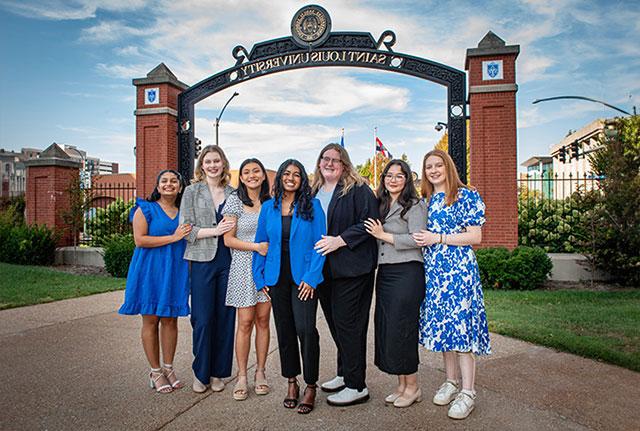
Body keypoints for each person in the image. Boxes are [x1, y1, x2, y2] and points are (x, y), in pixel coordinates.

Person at [413, 149, 491, 420]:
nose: (433, 170)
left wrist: (439, 238)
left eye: (438, 165)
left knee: (462, 330)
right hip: (435, 274)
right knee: (446, 329)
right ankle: (451, 381)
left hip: (459, 272)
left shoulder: (465, 195)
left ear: (448, 167)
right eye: (429, 167)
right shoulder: (427, 199)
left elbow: (475, 236)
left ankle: (468, 392)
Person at [252, 159, 326, 414]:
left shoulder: (313, 206)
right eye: (287, 173)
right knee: (284, 330)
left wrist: (312, 277)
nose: (291, 177)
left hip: (303, 277)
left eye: (296, 174)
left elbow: (320, 245)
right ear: (280, 177)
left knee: (306, 329)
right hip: (276, 277)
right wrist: (259, 277)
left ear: (302, 179)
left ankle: (311, 385)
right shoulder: (267, 208)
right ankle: (292, 382)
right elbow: (261, 243)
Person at [311, 143, 379, 406]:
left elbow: (370, 224)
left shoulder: (358, 189)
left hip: (353, 269)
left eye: (335, 160)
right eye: (325, 159)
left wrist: (340, 240)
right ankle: (344, 372)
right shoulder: (314, 190)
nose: (329, 163)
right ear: (319, 163)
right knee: (336, 323)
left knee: (349, 325)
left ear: (344, 164)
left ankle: (356, 385)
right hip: (325, 270)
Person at [119, 169, 191, 394]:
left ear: (180, 187)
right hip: (150, 271)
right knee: (151, 321)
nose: (169, 184)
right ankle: (155, 371)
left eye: (174, 181)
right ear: (158, 186)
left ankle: (169, 368)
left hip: (175, 271)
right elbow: (140, 240)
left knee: (170, 321)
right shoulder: (146, 208)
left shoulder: (184, 212)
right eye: (164, 181)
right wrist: (173, 237)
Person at [364, 159, 427, 408]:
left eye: (399, 176)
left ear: (407, 180)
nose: (393, 180)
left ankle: (413, 387)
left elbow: (418, 238)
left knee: (403, 330)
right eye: (389, 175)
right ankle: (401, 385)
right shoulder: (380, 204)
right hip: (386, 273)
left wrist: (383, 235)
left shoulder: (415, 205)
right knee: (389, 328)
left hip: (407, 272)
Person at [179, 145, 236, 393]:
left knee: (225, 317)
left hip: (229, 260)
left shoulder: (234, 193)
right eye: (208, 161)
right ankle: (201, 372)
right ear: (201, 165)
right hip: (202, 261)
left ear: (223, 164)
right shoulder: (191, 192)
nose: (213, 165)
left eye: (217, 161)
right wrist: (215, 231)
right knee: (202, 318)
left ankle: (218, 373)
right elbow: (185, 230)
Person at [222, 158, 272, 401]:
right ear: (240, 178)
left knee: (263, 320)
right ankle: (242, 375)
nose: (252, 175)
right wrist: (256, 247)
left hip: (265, 269)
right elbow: (228, 240)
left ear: (263, 175)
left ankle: (260, 372)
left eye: (256, 171)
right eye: (246, 172)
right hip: (243, 266)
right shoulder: (234, 201)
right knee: (245, 322)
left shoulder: (272, 202)